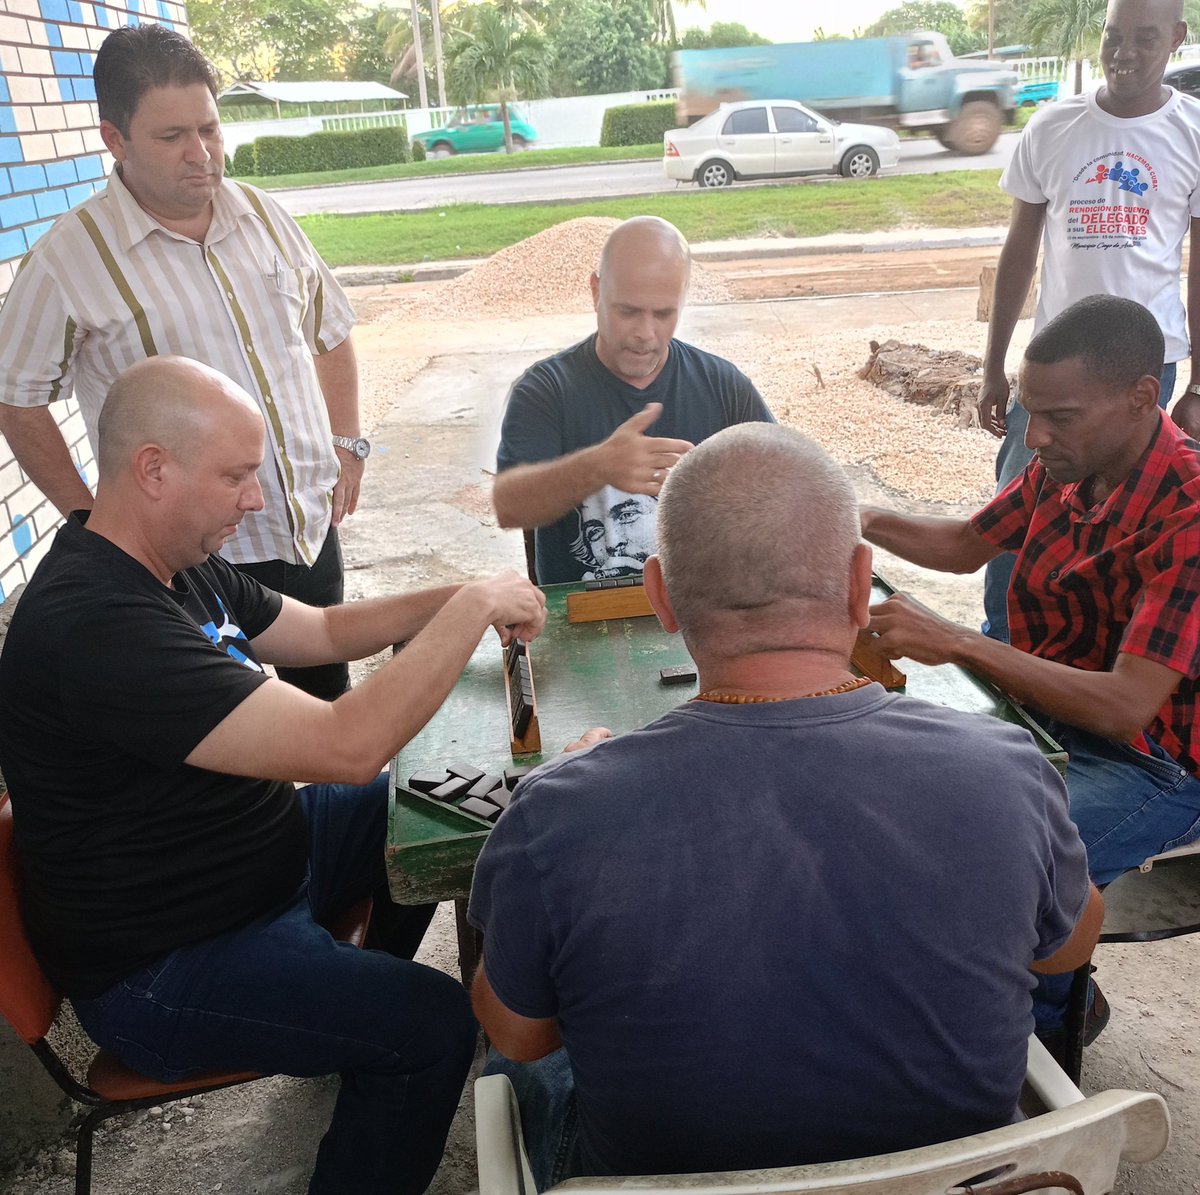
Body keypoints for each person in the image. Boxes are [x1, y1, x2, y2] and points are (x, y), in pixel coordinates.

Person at [468, 422, 1101, 1189]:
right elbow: (1066, 950)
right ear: (859, 581)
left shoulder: (556, 816)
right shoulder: (1007, 769)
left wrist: (572, 787)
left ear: (660, 595)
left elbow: (521, 1034)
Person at [0, 356, 548, 1195]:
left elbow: (323, 629)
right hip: (170, 965)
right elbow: (344, 742)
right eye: (236, 476)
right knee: (437, 1023)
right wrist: (473, 607)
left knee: (422, 803)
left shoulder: (167, 559)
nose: (255, 499)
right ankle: (377, 1048)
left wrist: (461, 589)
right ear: (153, 468)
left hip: (257, 865)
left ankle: (352, 1034)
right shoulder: (96, 624)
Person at [862, 294, 1200, 1040]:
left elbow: (1125, 707)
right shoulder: (1065, 468)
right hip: (1046, 717)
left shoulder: (1190, 511)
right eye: (1028, 409)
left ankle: (1040, 1041)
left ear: (1144, 397)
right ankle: (1059, 986)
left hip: (1155, 762)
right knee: (900, 802)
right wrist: (852, 515)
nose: (1034, 435)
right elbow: (963, 544)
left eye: (1060, 416)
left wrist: (960, 641)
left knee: (998, 868)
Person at [0, 24, 365, 700]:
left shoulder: (260, 214)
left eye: (210, 129)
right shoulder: (69, 260)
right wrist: (95, 525)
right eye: (172, 137)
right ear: (115, 139)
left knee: (327, 714)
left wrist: (348, 442)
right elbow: (16, 397)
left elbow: (330, 329)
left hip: (307, 528)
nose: (201, 154)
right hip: (190, 566)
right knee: (230, 756)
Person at [976, 0, 1200, 642]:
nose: (1123, 52)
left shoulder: (1192, 132)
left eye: (1145, 38)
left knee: (1135, 522)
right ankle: (1002, 650)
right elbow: (1019, 249)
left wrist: (1197, 387)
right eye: (1113, 36)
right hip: (1051, 371)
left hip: (1145, 369)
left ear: (1178, 39)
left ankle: (1103, 660)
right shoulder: (1054, 126)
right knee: (1016, 511)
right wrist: (996, 367)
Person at [492, 216, 774, 584]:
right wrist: (597, 467)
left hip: (698, 618)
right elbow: (508, 506)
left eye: (663, 314)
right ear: (596, 291)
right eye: (627, 311)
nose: (645, 333)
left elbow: (782, 487)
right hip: (583, 625)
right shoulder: (546, 389)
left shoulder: (724, 386)